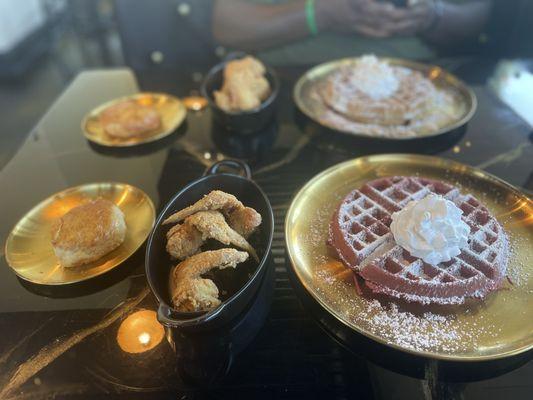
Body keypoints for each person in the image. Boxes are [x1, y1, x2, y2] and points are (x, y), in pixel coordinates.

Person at [212, 0, 493, 64]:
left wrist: (432, 16)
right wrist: (320, 14)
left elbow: (476, 19)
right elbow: (227, 27)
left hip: (424, 79)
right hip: (286, 84)